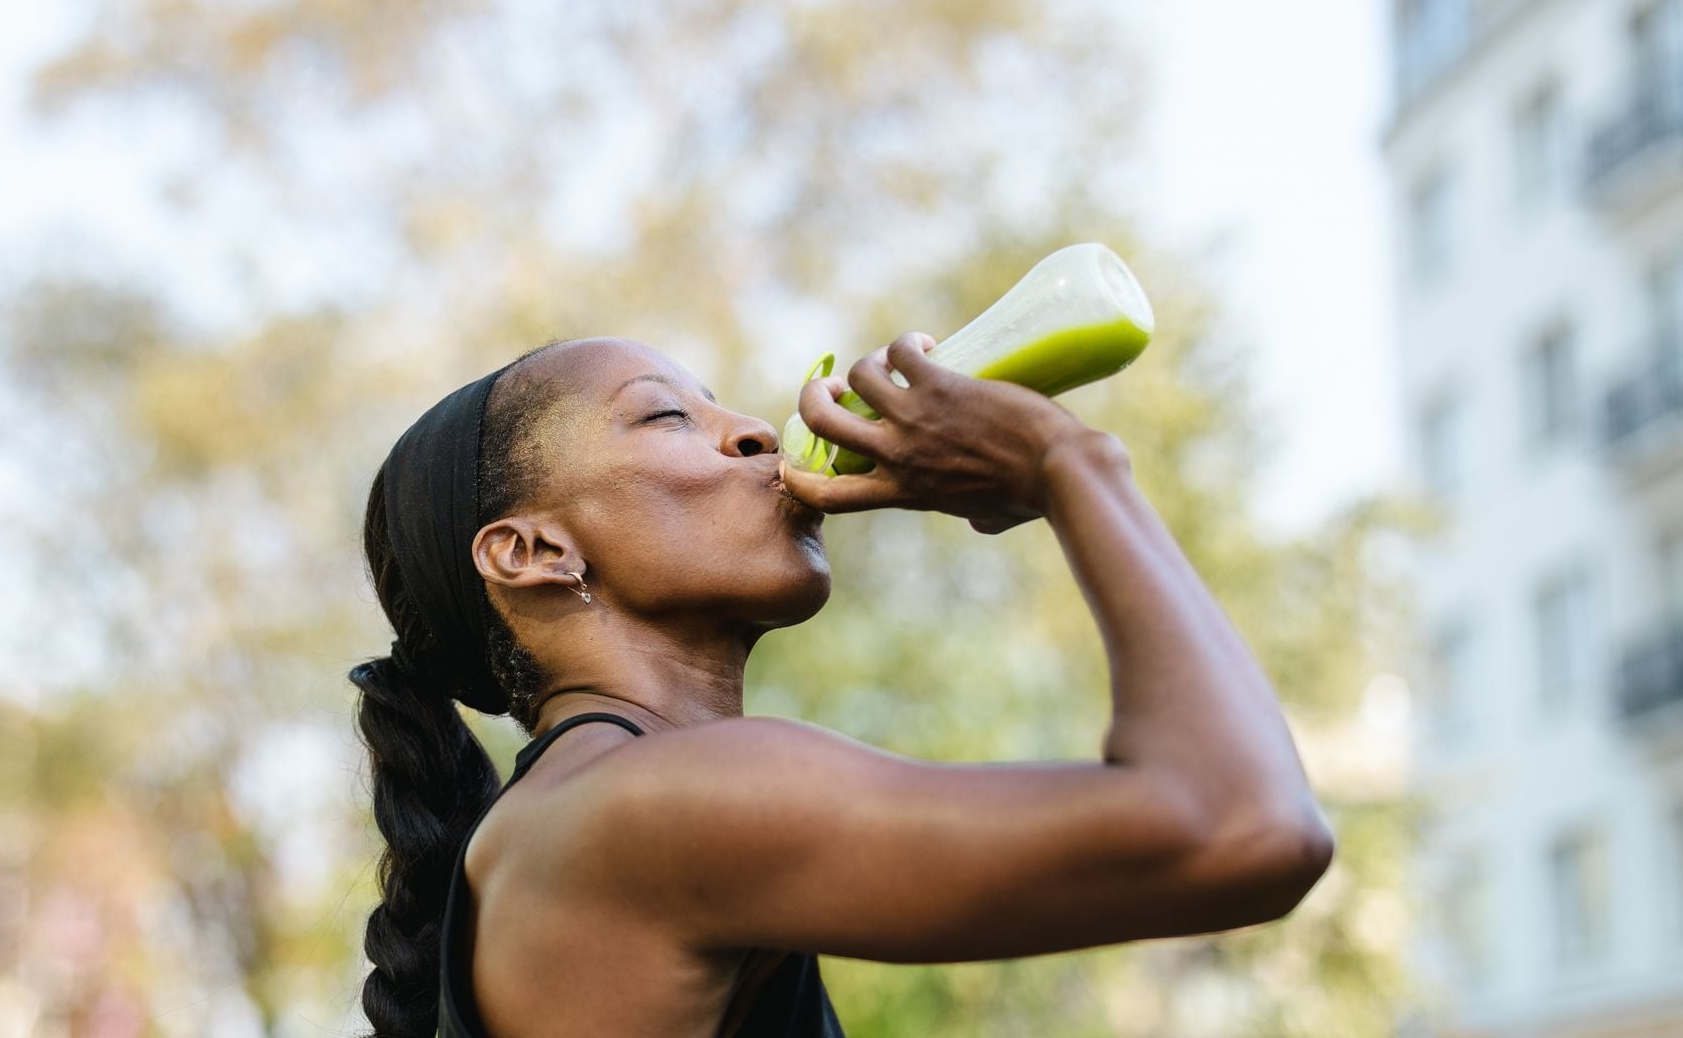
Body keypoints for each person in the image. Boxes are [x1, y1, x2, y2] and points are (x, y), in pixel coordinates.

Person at [349, 333, 1335, 1037]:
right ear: (532, 551)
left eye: (726, 407)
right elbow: (1244, 826)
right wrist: (1070, 460)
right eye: (664, 415)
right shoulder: (646, 805)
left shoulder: (597, 808)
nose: (753, 433)